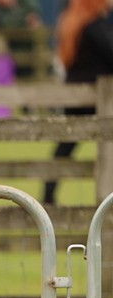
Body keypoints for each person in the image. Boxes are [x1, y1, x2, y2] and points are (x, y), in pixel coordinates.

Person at [44, 0, 113, 205]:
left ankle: (48, 195)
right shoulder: (94, 26)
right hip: (96, 96)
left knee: (65, 145)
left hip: (76, 94)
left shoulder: (72, 23)